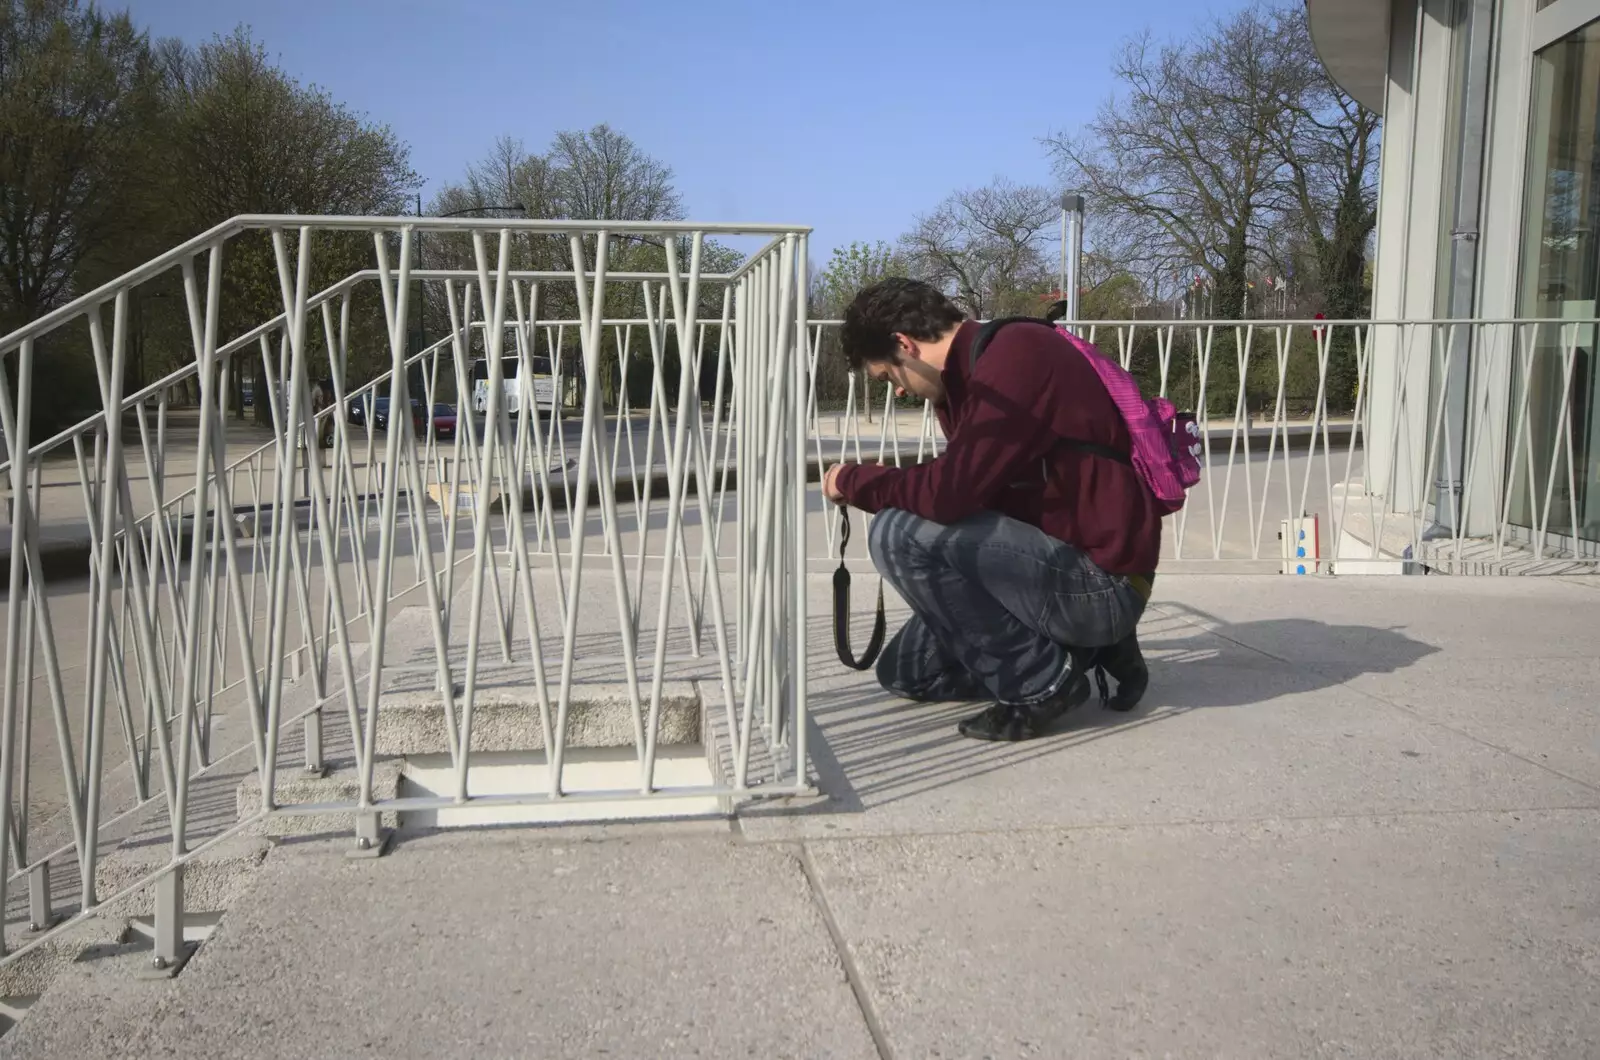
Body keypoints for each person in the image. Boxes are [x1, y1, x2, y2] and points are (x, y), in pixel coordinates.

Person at [822, 278, 1161, 742]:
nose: (898, 391)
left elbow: (949, 495)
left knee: (896, 532)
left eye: (889, 376)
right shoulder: (967, 380)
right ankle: (1082, 651)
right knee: (908, 674)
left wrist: (855, 481)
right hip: (1056, 569)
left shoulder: (1018, 355)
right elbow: (971, 490)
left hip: (1101, 583)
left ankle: (1042, 683)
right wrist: (899, 484)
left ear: (904, 344)